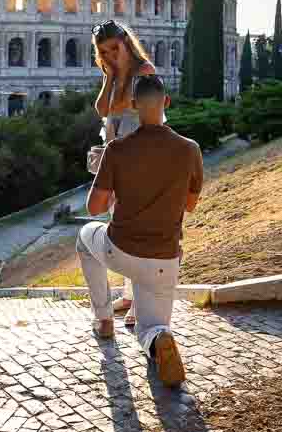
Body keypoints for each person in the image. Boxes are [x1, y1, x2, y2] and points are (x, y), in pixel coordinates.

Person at [78, 74, 202, 387]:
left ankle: (104, 318)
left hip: (120, 252)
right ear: (166, 103)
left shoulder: (117, 150)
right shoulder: (190, 150)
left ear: (133, 106)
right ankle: (159, 338)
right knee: (152, 327)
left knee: (84, 238)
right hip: (164, 259)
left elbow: (94, 208)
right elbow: (190, 205)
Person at [91, 19, 158, 326]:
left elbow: (141, 113)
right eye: (103, 52)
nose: (109, 55)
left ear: (126, 43)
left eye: (114, 48)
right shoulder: (115, 75)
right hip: (116, 160)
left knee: (137, 230)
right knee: (120, 227)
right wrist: (110, 75)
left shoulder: (144, 72)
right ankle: (130, 293)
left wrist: (123, 73)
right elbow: (102, 109)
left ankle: (141, 300)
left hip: (141, 160)